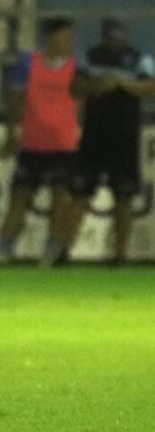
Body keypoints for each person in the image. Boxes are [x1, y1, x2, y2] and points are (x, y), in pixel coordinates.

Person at [63, 18, 155, 265]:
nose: (117, 41)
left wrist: (121, 82)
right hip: (94, 134)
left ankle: (121, 254)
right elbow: (75, 88)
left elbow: (149, 87)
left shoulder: (139, 58)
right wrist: (96, 85)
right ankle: (64, 249)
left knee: (123, 197)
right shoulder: (90, 56)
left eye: (120, 36)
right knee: (81, 193)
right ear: (104, 36)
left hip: (125, 135)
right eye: (112, 36)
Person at [0, 17, 79, 267]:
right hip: (32, 142)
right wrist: (10, 133)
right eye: (65, 36)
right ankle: (3, 248)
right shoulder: (28, 64)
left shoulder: (75, 67)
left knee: (59, 198)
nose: (69, 42)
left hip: (63, 144)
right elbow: (16, 100)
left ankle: (52, 251)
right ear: (51, 38)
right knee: (19, 196)